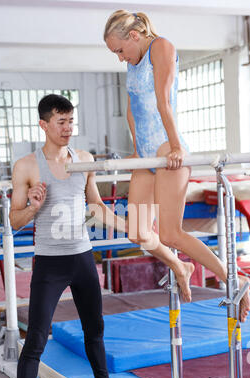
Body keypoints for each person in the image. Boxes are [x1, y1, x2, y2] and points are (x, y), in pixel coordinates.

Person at [9, 94, 140, 378]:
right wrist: (34, 207)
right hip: (50, 264)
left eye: (71, 121)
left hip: (83, 255)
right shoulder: (26, 166)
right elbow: (14, 220)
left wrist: (129, 227)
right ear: (44, 124)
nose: (68, 128)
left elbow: (95, 204)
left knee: (94, 329)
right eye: (61, 122)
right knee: (36, 338)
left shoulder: (84, 159)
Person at [104, 9, 249, 320]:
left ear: (133, 35)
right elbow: (132, 113)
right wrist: (136, 150)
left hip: (166, 148)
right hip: (147, 154)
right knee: (139, 233)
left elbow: (163, 100)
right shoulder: (133, 61)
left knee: (169, 233)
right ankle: (180, 265)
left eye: (119, 50)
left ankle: (235, 280)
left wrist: (176, 146)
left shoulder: (161, 47)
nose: (119, 57)